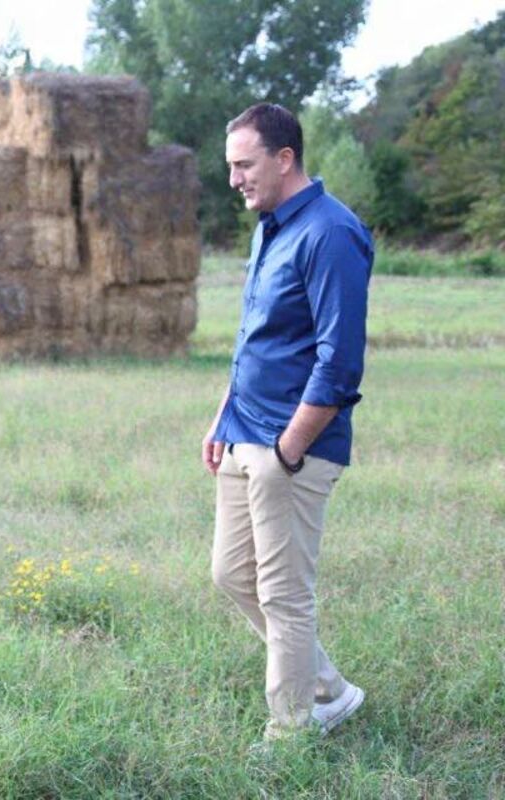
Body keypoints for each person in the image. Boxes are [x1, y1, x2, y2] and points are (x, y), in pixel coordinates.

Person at [202, 102, 373, 742]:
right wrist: (223, 416)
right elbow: (258, 337)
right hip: (242, 430)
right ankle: (331, 690)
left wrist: (289, 449)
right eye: (230, 166)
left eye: (244, 165)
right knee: (231, 574)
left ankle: (292, 729)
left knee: (284, 593)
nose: (234, 179)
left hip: (291, 444)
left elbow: (339, 360)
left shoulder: (332, 233)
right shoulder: (269, 227)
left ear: (284, 158)